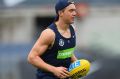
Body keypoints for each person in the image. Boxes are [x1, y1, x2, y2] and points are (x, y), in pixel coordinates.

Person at [27, 0, 78, 79]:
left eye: (75, 10)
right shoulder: (49, 33)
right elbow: (32, 58)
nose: (74, 13)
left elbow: (67, 52)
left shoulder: (73, 29)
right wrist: (54, 70)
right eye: (71, 10)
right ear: (60, 13)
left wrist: (77, 64)